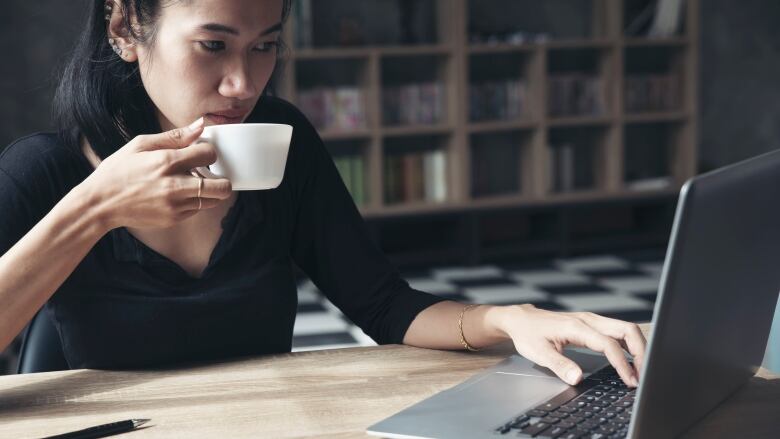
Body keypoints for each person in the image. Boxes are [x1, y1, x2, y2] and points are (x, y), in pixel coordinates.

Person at [0, 0, 645, 388]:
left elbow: (388, 309)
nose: (241, 83)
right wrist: (95, 207)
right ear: (124, 25)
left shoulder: (286, 143)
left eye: (265, 47)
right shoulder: (43, 172)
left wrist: (512, 318)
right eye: (213, 45)